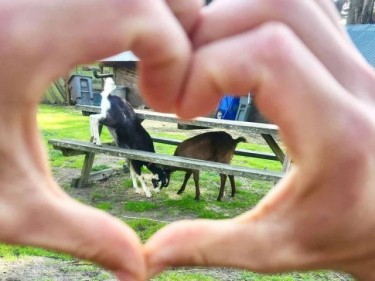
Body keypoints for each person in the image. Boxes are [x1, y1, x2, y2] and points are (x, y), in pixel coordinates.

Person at [1, 0, 375, 281]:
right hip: (173, 140)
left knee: (187, 162)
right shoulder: (122, 107)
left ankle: (194, 181)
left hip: (196, 142)